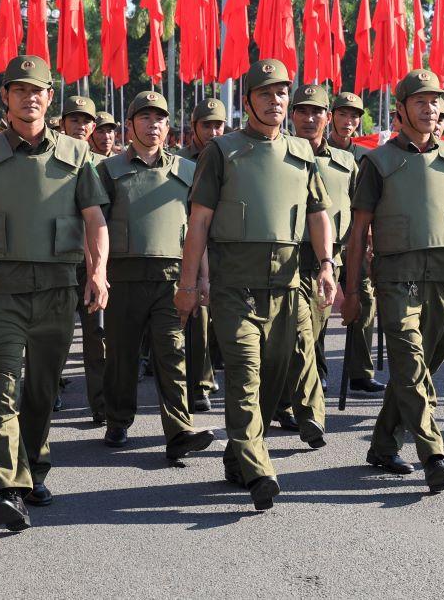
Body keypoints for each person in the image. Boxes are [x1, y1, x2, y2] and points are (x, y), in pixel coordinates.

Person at [0, 55, 109, 531]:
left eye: (36, 90)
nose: (28, 97)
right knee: (4, 388)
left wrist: (99, 274)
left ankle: (35, 466)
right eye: (19, 90)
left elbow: (95, 220)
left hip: (57, 289)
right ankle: (10, 486)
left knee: (41, 390)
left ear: (49, 97)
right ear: (6, 99)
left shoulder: (78, 156)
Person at [176, 58, 335, 511]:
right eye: (265, 93)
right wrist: (189, 286)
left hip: (287, 288)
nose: (276, 101)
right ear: (248, 101)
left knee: (274, 380)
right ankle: (260, 468)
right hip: (235, 288)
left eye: (282, 93)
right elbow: (199, 223)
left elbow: (317, 215)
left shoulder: (303, 153)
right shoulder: (222, 151)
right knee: (245, 377)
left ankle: (238, 453)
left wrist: (326, 265)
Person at [343, 69, 444, 493]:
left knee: (440, 346)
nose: (429, 107)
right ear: (400, 110)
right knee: (410, 362)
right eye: (419, 101)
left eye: (434, 100)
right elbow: (359, 231)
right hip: (398, 278)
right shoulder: (377, 163)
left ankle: (382, 445)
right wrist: (352, 290)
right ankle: (432, 453)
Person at [98, 90, 215, 461]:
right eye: (145, 118)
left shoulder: (187, 171)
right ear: (130, 126)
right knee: (121, 353)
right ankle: (117, 419)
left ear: (169, 126)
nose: (153, 125)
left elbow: (200, 228)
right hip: (124, 275)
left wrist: (202, 277)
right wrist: (96, 273)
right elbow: (94, 225)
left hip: (171, 278)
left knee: (172, 354)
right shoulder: (108, 170)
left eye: (160, 118)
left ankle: (179, 429)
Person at [279, 84, 355, 437]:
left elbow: (358, 214)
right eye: (302, 111)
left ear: (329, 117)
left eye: (317, 112)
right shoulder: (277, 156)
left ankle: (284, 399)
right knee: (298, 335)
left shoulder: (346, 163)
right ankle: (307, 410)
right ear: (292, 115)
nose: (309, 119)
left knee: (313, 333)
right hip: (287, 259)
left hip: (328, 260)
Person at [326, 91, 383, 394]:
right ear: (331, 117)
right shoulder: (316, 152)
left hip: (357, 240)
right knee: (319, 305)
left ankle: (360, 371)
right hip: (327, 242)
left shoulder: (366, 158)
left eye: (354, 116)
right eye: (343, 115)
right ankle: (317, 370)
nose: (348, 121)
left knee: (365, 300)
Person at [177, 97, 228, 412]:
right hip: (195, 245)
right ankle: (200, 385)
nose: (212, 131)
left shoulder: (232, 156)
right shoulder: (181, 161)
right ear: (193, 127)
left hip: (227, 245)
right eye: (205, 125)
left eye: (217, 125)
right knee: (199, 319)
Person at [59, 95, 107, 424]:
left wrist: (101, 268)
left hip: (93, 265)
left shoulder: (107, 166)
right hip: (60, 261)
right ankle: (48, 393)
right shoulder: (52, 160)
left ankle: (101, 405)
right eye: (73, 120)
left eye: (86, 121)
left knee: (97, 339)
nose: (80, 126)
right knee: (53, 337)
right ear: (62, 124)